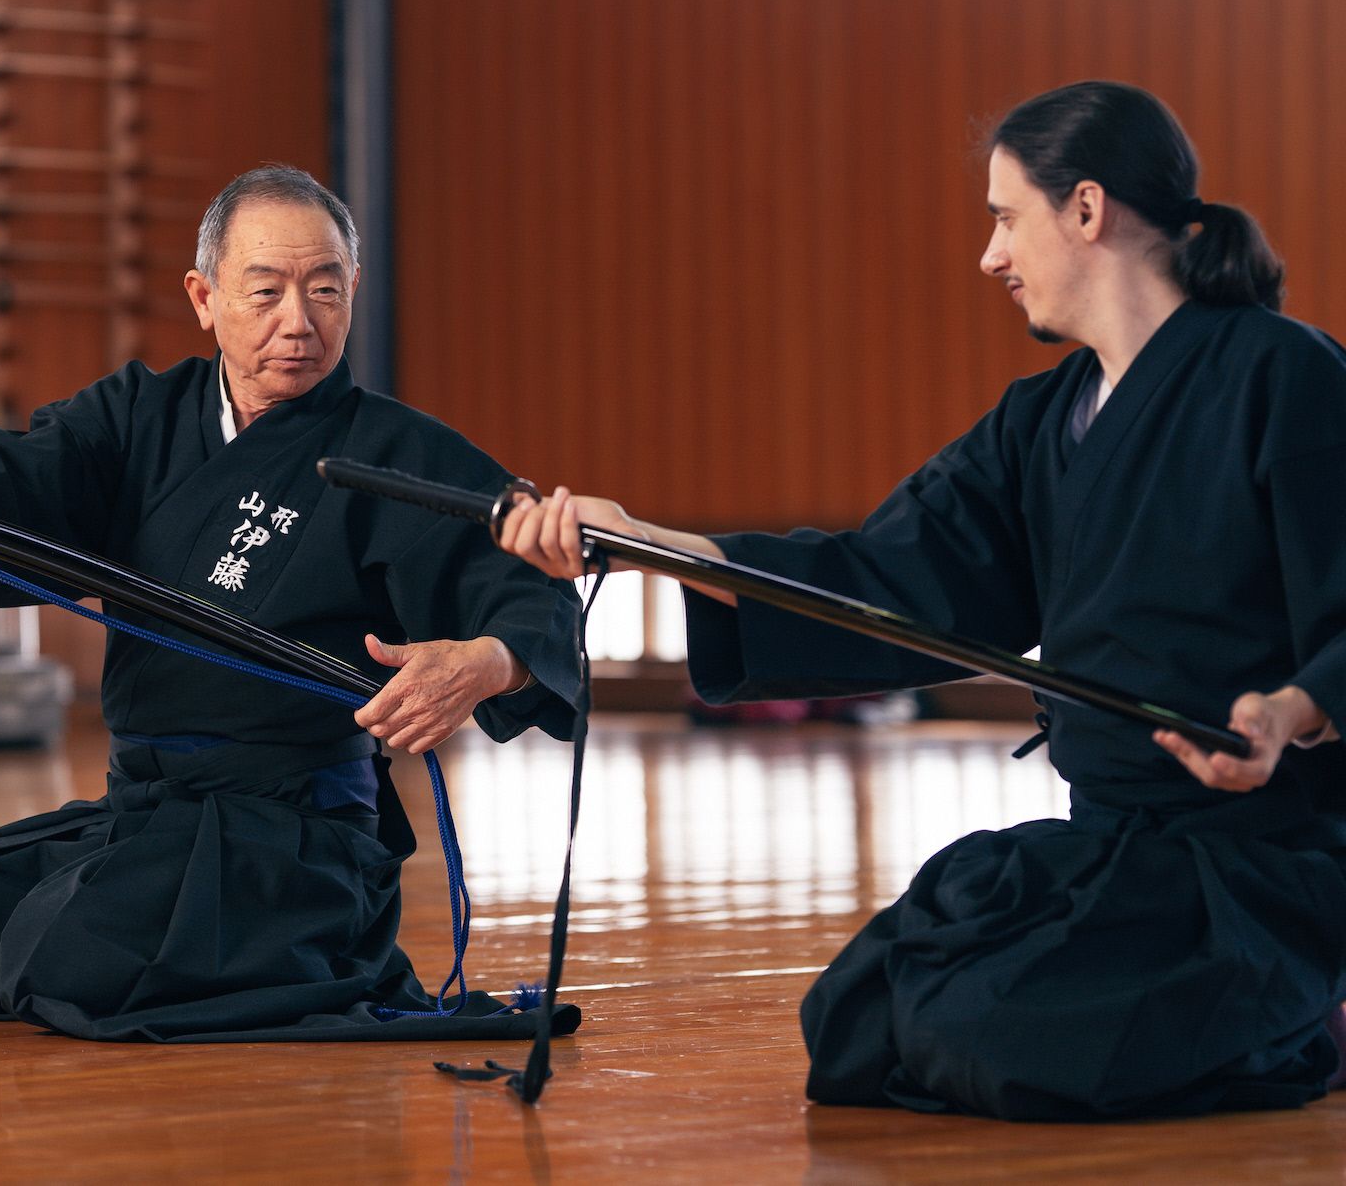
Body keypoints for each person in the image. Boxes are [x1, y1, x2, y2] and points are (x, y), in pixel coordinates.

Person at [499, 81, 1346, 1120]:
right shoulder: (1042, 422)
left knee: (983, 1035)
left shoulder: (1283, 374)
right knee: (857, 1017)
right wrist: (649, 546)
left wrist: (1290, 713)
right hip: (1110, 846)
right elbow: (885, 578)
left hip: (1258, 869)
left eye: (1002, 216)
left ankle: (1298, 1020)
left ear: (1084, 210)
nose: (989, 255)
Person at [0, 166, 582, 1041]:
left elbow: (530, 590)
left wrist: (485, 661)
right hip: (146, 815)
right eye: (265, 291)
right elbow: (23, 476)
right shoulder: (139, 417)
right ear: (204, 296)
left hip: (295, 843)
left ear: (353, 293)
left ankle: (317, 950)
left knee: (63, 956)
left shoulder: (398, 453)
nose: (297, 322)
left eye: (325, 291)